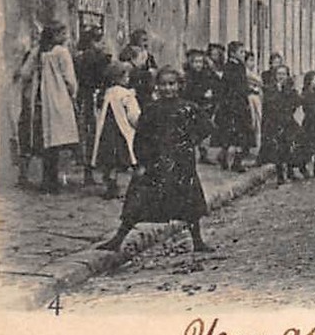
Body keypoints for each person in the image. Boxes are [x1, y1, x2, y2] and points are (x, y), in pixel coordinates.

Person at [98, 65, 213, 253]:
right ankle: (118, 239)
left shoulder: (188, 108)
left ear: (179, 85)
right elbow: (141, 137)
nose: (168, 88)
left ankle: (198, 240)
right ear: (156, 87)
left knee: (189, 201)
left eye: (172, 84)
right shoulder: (151, 110)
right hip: (155, 163)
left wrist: (190, 141)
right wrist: (141, 162)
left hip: (181, 163)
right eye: (163, 85)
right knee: (137, 202)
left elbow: (206, 127)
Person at [16, 23, 80, 193]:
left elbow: (24, 73)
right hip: (58, 99)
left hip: (40, 101)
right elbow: (70, 79)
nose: (66, 36)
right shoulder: (62, 53)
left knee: (44, 141)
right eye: (63, 33)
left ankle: (47, 180)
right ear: (55, 35)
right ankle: (53, 181)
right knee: (56, 142)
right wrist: (73, 93)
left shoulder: (38, 51)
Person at [92, 61, 140, 198]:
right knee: (128, 157)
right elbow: (132, 114)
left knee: (110, 161)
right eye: (126, 77)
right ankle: (134, 185)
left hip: (107, 132)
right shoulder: (125, 94)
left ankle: (111, 184)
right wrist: (137, 123)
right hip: (121, 131)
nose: (128, 79)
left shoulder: (107, 93)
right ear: (119, 78)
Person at [73, 26, 112, 187]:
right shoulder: (96, 58)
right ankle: (94, 171)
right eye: (99, 41)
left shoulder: (79, 57)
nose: (102, 44)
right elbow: (103, 77)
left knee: (87, 134)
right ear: (91, 42)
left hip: (84, 97)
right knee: (94, 133)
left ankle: (88, 172)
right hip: (93, 98)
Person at [259, 64, 305, 185]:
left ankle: (290, 170)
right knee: (278, 149)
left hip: (287, 121)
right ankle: (280, 175)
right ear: (275, 76)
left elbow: (297, 102)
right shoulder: (270, 89)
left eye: (283, 74)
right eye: (279, 74)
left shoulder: (290, 89)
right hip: (275, 122)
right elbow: (269, 106)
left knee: (290, 146)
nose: (281, 77)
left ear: (287, 76)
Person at [213, 42, 255, 172]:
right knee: (234, 134)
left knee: (238, 135)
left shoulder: (240, 67)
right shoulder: (230, 67)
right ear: (232, 54)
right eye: (241, 52)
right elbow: (230, 86)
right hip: (232, 105)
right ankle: (229, 159)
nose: (244, 54)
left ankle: (231, 159)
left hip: (240, 104)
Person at [118, 29, 158, 107]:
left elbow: (154, 70)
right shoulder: (126, 54)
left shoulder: (148, 56)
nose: (146, 43)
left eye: (146, 40)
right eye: (143, 40)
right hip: (131, 90)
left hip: (145, 90)